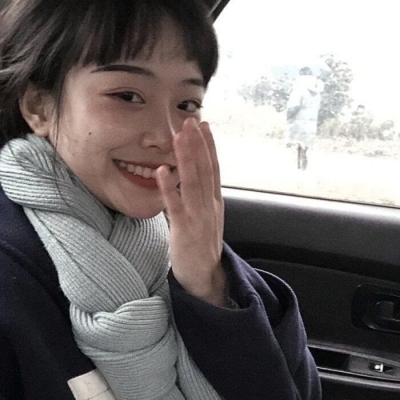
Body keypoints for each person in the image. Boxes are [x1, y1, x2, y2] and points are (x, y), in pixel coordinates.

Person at [0, 1, 321, 399]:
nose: (167, 137)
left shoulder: (186, 244)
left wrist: (208, 289)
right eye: (127, 96)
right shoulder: (13, 274)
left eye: (187, 104)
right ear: (39, 108)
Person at [286, 67, 324, 170]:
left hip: (298, 118)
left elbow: (294, 105)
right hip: (311, 120)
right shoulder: (317, 91)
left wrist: (288, 117)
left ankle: (296, 168)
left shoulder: (299, 87)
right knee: (305, 144)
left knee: (295, 144)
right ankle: (303, 167)